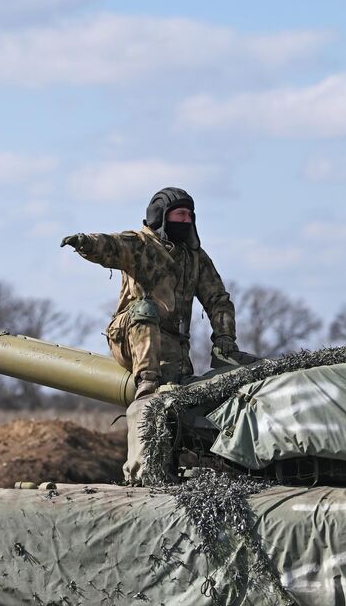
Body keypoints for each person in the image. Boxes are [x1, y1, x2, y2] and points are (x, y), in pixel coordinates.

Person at [61, 187, 252, 483]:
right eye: (180, 214)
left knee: (182, 402)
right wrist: (86, 243)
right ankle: (147, 381)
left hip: (174, 349)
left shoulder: (195, 258)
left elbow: (218, 299)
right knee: (145, 310)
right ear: (161, 216)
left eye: (190, 214)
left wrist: (225, 338)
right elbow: (111, 245)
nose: (186, 220)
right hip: (131, 335)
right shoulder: (141, 245)